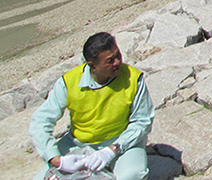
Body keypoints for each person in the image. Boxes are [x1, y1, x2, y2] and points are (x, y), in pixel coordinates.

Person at [30, 32, 153, 180]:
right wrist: (56, 159)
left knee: (131, 175)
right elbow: (40, 121)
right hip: (78, 144)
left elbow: (142, 121)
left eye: (118, 55)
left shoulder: (133, 78)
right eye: (110, 61)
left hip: (120, 142)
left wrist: (112, 150)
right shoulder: (69, 82)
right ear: (92, 66)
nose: (117, 62)